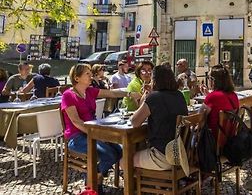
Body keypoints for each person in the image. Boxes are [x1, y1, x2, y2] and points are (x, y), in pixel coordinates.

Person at [61, 63, 141, 194]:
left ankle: (92, 177)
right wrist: (97, 134)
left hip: (93, 132)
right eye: (87, 73)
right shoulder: (68, 95)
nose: (91, 75)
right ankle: (93, 181)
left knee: (120, 151)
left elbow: (113, 93)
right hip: (76, 137)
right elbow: (76, 122)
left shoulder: (90, 91)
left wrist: (130, 94)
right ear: (77, 78)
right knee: (109, 154)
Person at [131, 65, 188, 170]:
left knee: (124, 160)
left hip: (163, 156)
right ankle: (155, 184)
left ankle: (138, 186)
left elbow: (135, 122)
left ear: (155, 80)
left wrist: (147, 96)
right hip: (179, 152)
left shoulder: (154, 98)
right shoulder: (179, 95)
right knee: (141, 148)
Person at [201, 64, 239, 141]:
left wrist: (208, 97)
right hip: (229, 138)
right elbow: (220, 102)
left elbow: (199, 116)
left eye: (208, 78)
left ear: (213, 80)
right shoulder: (233, 95)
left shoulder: (212, 97)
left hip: (212, 140)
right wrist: (208, 95)